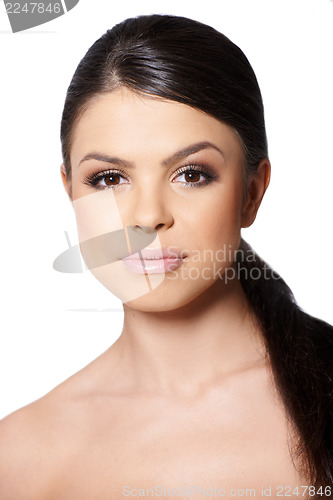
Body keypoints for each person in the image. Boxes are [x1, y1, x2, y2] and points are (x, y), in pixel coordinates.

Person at [0, 13, 332, 499]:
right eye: (109, 178)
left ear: (252, 193)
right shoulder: (19, 457)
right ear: (70, 190)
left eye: (191, 174)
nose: (148, 216)